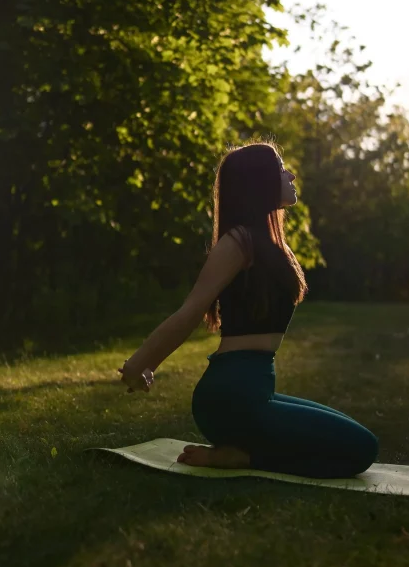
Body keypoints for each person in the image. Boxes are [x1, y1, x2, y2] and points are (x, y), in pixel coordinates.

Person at [118, 140, 379, 479]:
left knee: (349, 434)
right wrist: (140, 364)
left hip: (254, 389)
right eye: (281, 168)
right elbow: (191, 310)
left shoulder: (268, 242)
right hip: (230, 397)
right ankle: (243, 458)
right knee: (361, 449)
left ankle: (246, 452)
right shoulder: (238, 241)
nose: (291, 174)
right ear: (259, 181)